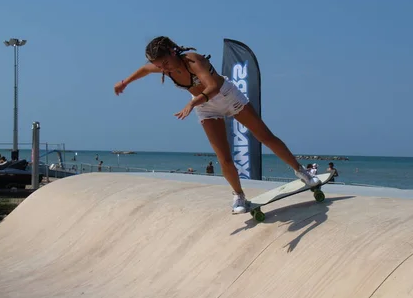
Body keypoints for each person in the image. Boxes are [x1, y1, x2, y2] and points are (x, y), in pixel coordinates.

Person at [113, 36, 318, 214]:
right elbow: (144, 70)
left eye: (165, 63)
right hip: (206, 108)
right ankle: (239, 196)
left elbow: (212, 86)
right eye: (159, 66)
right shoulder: (162, 67)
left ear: (172, 51)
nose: (163, 69)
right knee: (224, 158)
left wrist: (192, 102)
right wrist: (125, 82)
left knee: (265, 137)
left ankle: (301, 171)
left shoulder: (193, 60)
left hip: (227, 96)